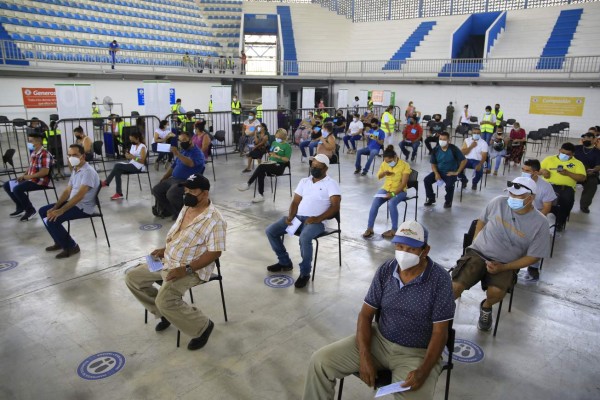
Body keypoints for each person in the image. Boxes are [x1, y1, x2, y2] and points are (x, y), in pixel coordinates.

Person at [302, 220, 455, 400]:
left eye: (411, 249)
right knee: (320, 362)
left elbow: (440, 333)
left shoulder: (440, 280)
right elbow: (365, 315)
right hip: (379, 341)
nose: (403, 253)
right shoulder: (386, 270)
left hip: (417, 353)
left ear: (425, 250)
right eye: (400, 247)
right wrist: (364, 356)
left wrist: (423, 371)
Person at [125, 174, 226, 351]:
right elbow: (179, 235)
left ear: (205, 193)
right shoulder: (187, 207)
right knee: (132, 278)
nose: (187, 194)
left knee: (165, 300)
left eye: (192, 191)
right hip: (168, 260)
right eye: (186, 190)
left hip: (191, 269)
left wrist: (186, 269)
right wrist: (164, 249)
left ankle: (202, 327)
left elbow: (214, 252)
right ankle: (164, 314)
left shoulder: (215, 220)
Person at [452, 177, 550, 331]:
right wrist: (476, 241)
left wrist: (504, 267)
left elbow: (534, 256)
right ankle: (439, 317)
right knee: (454, 287)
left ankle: (486, 306)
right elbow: (481, 220)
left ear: (531, 198)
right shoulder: (498, 202)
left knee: (496, 292)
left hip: (506, 263)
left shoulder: (540, 223)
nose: (513, 198)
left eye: (518, 196)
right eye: (511, 194)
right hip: (478, 253)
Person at [265, 154, 341, 288]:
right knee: (271, 231)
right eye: (313, 165)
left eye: (318, 166)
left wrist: (318, 218)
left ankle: (305, 273)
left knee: (304, 238)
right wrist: (290, 216)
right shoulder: (304, 181)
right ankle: (284, 262)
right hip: (298, 218)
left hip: (317, 222)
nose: (314, 168)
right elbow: (295, 201)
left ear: (325, 168)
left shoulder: (331, 183)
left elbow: (335, 207)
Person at [40, 144, 100, 259]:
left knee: (53, 220)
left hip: (83, 207)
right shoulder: (76, 169)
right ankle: (59, 241)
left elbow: (80, 195)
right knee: (44, 211)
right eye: (69, 155)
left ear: (83, 156)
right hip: (74, 203)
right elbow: (67, 191)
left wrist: (61, 210)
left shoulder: (88, 172)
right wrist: (55, 207)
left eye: (75, 155)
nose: (71, 158)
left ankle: (72, 247)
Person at [151, 131, 205, 219]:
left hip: (187, 180)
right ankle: (171, 211)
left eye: (184, 140)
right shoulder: (183, 151)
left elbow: (191, 163)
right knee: (156, 190)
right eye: (180, 140)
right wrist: (164, 177)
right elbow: (173, 167)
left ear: (190, 140)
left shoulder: (197, 153)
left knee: (171, 193)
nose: (182, 143)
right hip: (174, 179)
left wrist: (177, 154)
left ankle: (183, 213)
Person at [520, 159, 558, 282]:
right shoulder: (518, 182)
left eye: (527, 171)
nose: (524, 172)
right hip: (518, 214)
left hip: (537, 216)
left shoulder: (545, 187)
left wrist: (533, 220)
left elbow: (546, 208)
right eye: (523, 169)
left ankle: (533, 266)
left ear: (536, 172)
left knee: (538, 236)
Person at [362, 146, 411, 239]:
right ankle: (370, 228)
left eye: (390, 161)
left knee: (391, 203)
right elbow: (379, 176)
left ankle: (394, 230)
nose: (388, 163)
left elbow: (403, 184)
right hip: (386, 188)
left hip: (400, 191)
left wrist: (392, 194)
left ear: (395, 157)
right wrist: (384, 173)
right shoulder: (385, 163)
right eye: (386, 161)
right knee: (375, 202)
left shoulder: (405, 165)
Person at [3, 132, 52, 221]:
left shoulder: (45, 154)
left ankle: (30, 210)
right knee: (7, 185)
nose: (29, 143)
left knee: (17, 189)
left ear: (38, 142)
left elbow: (44, 172)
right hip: (31, 178)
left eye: (31, 141)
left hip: (40, 181)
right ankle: (20, 207)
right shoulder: (34, 153)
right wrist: (24, 175)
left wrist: (29, 177)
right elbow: (31, 167)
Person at [540, 143, 586, 231]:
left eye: (568, 154)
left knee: (567, 201)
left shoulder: (577, 163)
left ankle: (560, 221)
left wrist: (568, 173)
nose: (564, 155)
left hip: (565, 188)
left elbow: (582, 178)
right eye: (563, 153)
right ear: (560, 150)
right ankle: (539, 219)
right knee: (537, 197)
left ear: (573, 154)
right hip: (548, 186)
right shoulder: (549, 159)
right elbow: (538, 170)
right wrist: (543, 171)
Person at [238, 129, 292, 203]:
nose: (276, 138)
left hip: (279, 166)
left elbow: (287, 159)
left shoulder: (287, 146)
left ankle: (248, 184)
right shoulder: (274, 143)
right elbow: (271, 151)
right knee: (261, 171)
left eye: (278, 137)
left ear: (282, 137)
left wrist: (277, 156)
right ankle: (260, 195)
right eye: (276, 137)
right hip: (271, 163)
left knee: (261, 166)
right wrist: (270, 154)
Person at [424, 132, 467, 209]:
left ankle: (448, 201)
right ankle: (431, 198)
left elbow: (464, 160)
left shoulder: (454, 149)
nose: (442, 141)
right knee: (427, 180)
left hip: (450, 173)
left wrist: (457, 172)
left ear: (449, 140)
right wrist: (436, 173)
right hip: (439, 171)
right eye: (440, 139)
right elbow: (433, 164)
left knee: (449, 185)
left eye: (444, 139)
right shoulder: (436, 149)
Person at [102, 130, 147, 200]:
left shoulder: (142, 147)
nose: (131, 141)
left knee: (117, 165)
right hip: (132, 164)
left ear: (137, 138)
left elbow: (142, 161)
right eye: (130, 140)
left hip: (139, 167)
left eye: (132, 140)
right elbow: (131, 156)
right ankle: (119, 193)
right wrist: (127, 156)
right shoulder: (133, 145)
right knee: (117, 171)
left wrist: (133, 157)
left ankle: (107, 182)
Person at [574, 133, 600, 214]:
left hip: (589, 173)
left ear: (594, 139)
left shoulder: (597, 152)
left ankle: (584, 205)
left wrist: (593, 170)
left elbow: (598, 166)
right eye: (584, 138)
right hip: (575, 172)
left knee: (592, 183)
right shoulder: (576, 148)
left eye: (588, 138)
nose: (585, 139)